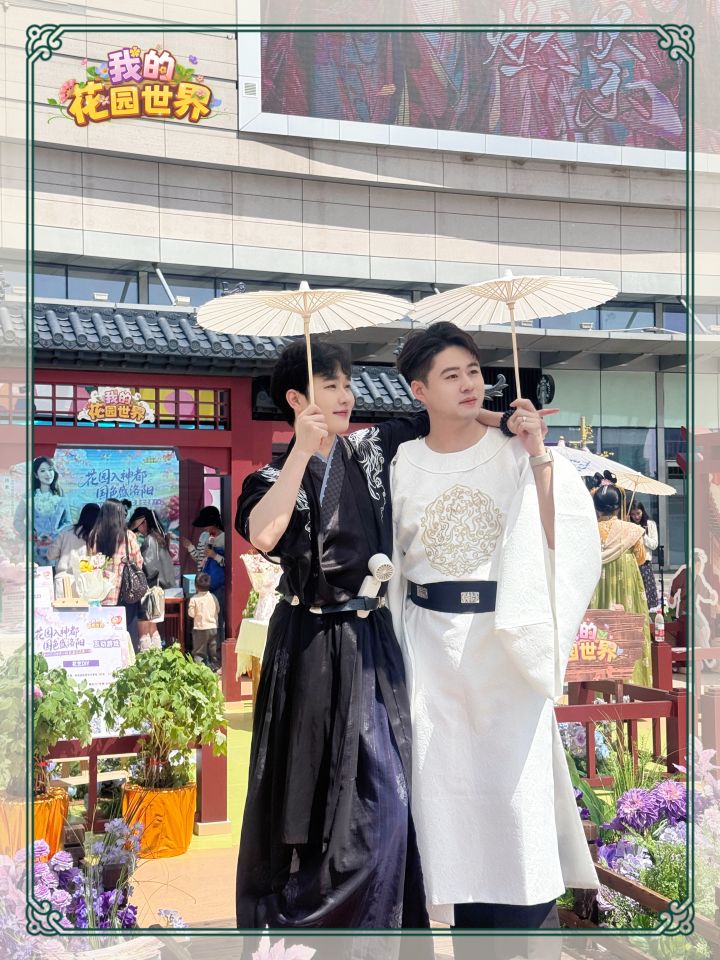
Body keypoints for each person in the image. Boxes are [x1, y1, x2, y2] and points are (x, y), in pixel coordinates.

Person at [233, 338, 539, 931]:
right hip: (308, 646)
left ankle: (382, 927)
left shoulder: (373, 449)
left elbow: (442, 415)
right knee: (309, 802)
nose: (345, 396)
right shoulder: (269, 475)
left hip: (372, 640)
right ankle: (305, 930)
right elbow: (265, 534)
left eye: (347, 384)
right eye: (329, 385)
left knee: (388, 802)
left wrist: (503, 419)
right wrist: (301, 453)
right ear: (296, 399)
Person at [387, 322, 601, 942]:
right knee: (446, 799)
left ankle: (529, 930)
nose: (468, 384)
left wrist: (538, 454)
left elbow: (562, 541)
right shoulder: (402, 462)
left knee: (515, 799)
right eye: (450, 375)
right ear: (419, 390)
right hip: (429, 648)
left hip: (504, 645)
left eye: (474, 372)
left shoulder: (517, 451)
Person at [590, 472, 652, 684]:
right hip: (627, 586)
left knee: (598, 630)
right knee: (628, 628)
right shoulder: (631, 531)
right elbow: (641, 559)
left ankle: (597, 687)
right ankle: (633, 683)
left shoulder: (588, 529)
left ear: (596, 507)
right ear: (618, 507)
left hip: (596, 584)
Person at [87, 498, 143, 650]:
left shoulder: (94, 535)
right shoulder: (128, 536)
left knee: (103, 634)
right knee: (127, 632)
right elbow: (138, 562)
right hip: (126, 593)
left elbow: (90, 564)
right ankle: (128, 661)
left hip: (100, 595)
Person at [128, 507, 175, 652]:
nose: (138, 529)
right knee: (153, 625)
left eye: (138, 526)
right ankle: (157, 656)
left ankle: (145, 656)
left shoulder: (149, 540)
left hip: (148, 588)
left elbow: (148, 566)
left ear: (144, 522)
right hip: (159, 589)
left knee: (144, 624)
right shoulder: (159, 538)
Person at [182, 506, 226, 644]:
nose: (205, 528)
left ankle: (217, 648)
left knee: (217, 617)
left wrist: (214, 555)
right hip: (203, 582)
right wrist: (190, 547)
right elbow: (199, 559)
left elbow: (228, 563)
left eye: (206, 525)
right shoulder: (204, 537)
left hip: (218, 583)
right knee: (201, 618)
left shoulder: (224, 538)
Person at [15, 456, 70, 565]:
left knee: (55, 573)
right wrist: (31, 534)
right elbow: (17, 520)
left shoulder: (61, 495)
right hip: (35, 550)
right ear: (36, 475)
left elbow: (68, 522)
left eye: (50, 470)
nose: (48, 474)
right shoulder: (29, 496)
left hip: (55, 549)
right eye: (43, 471)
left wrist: (56, 534)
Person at [46, 502, 100, 575]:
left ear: (82, 515)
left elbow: (51, 555)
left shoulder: (66, 531)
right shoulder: (97, 536)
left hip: (63, 577)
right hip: (85, 578)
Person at [629, 501, 659, 612]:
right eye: (633, 514)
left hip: (645, 563)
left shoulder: (650, 524)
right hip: (631, 563)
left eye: (638, 513)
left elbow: (654, 545)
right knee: (633, 593)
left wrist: (644, 536)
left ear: (643, 511)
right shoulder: (628, 525)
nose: (636, 517)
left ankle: (647, 616)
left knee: (647, 594)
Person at [187, 571, 220, 668]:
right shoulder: (213, 597)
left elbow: (191, 614)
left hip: (200, 628)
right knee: (213, 648)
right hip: (213, 627)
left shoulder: (194, 599)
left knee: (199, 651)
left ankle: (199, 667)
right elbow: (218, 610)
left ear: (195, 586)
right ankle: (215, 665)